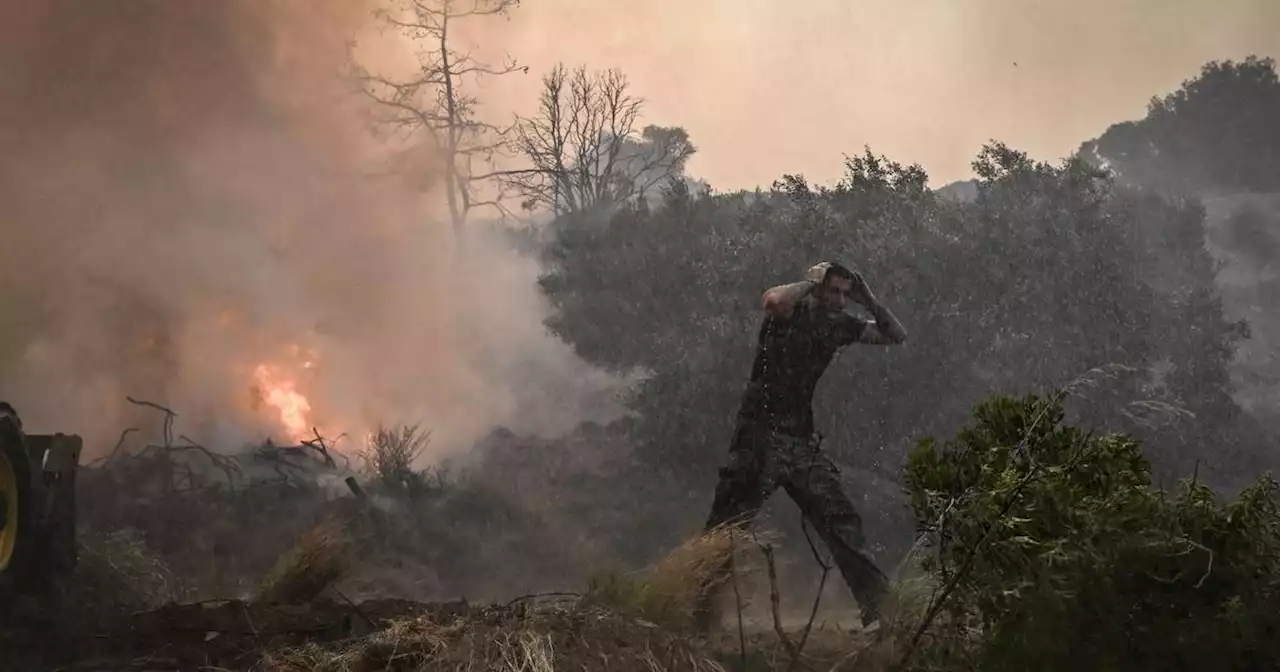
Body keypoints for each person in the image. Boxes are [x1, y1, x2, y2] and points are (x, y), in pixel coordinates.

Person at [695, 261, 907, 631]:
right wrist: (811, 283)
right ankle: (696, 618)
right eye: (834, 291)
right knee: (727, 530)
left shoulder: (839, 325)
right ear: (816, 289)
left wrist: (869, 299)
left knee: (841, 521)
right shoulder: (788, 314)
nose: (841, 300)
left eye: (846, 293)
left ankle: (880, 612)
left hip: (799, 441)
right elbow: (772, 300)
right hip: (758, 438)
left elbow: (895, 335)